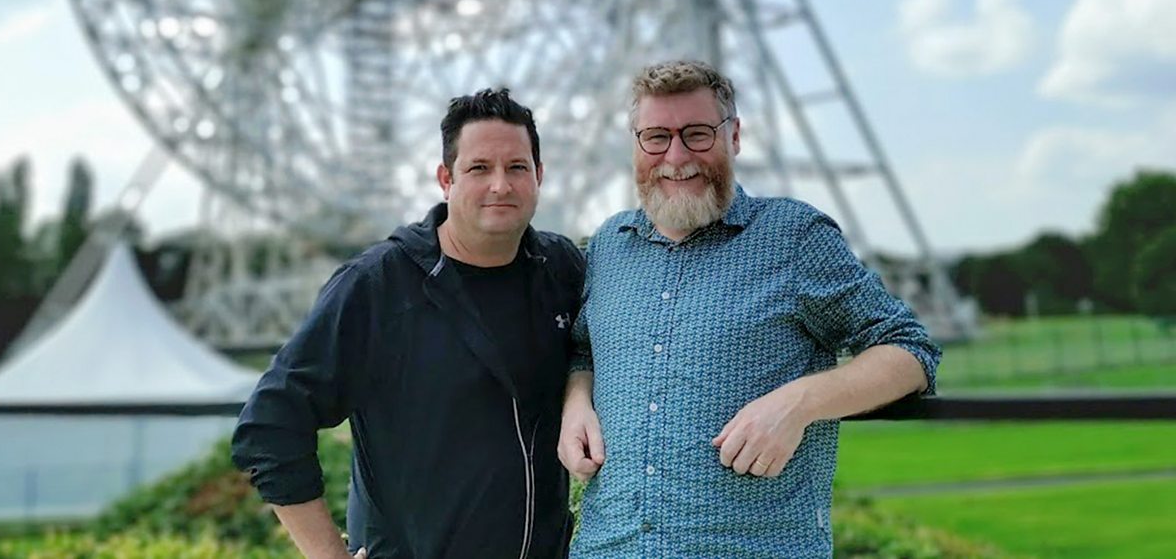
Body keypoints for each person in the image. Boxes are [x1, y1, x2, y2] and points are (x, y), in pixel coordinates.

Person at [557, 60, 941, 557]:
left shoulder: (793, 237)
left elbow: (910, 351)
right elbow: (583, 350)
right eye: (656, 137)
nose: (676, 156)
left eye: (697, 134)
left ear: (733, 136)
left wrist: (799, 403)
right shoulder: (609, 245)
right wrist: (576, 402)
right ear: (636, 143)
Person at [233, 88, 585, 559]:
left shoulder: (560, 269)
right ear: (446, 178)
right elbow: (270, 423)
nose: (500, 185)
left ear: (538, 176)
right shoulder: (379, 285)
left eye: (517, 167)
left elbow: (600, 350)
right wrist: (328, 554)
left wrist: (579, 390)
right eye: (479, 168)